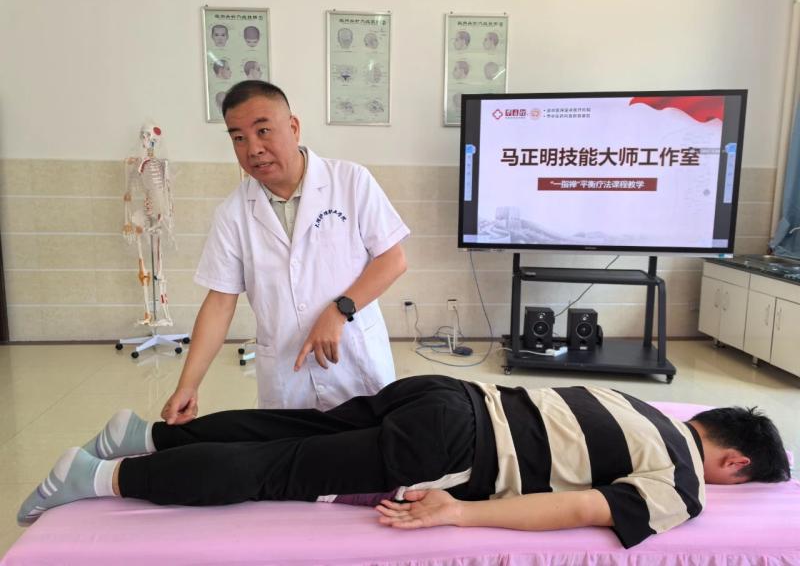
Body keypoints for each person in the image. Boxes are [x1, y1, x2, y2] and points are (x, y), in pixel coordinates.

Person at [18, 375, 790, 549]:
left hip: (443, 393)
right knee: (281, 469)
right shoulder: (683, 484)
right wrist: (462, 512)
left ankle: (143, 437)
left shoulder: (635, 403)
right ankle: (98, 477)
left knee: (292, 427)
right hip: (455, 447)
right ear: (733, 463)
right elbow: (586, 508)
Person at [161, 80, 409, 418]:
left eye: (263, 131)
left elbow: (393, 259)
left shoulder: (351, 181)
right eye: (238, 138)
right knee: (293, 448)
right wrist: (188, 386)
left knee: (369, 444)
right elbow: (219, 302)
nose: (253, 149)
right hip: (289, 379)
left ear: (293, 127)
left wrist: (339, 311)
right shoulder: (233, 213)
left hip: (356, 366)